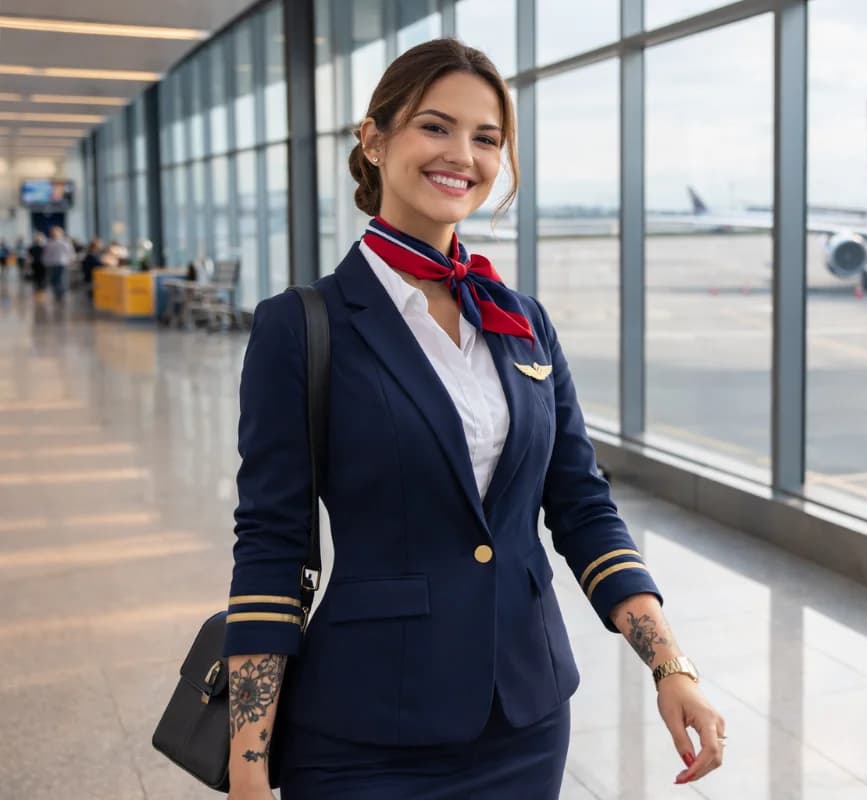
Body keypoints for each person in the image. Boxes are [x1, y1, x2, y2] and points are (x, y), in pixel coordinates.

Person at [223, 39, 725, 800]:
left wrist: (670, 665)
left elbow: (582, 505)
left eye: (487, 138)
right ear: (375, 140)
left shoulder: (520, 322)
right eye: (435, 126)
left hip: (525, 718)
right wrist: (249, 763)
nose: (462, 154)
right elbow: (272, 545)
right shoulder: (302, 326)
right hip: (366, 731)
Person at [41, 227, 76, 303]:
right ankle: (58, 293)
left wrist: (71, 260)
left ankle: (60, 293)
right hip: (54, 263)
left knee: (59, 279)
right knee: (56, 279)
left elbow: (70, 253)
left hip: (59, 263)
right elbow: (45, 254)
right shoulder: (49, 243)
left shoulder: (63, 243)